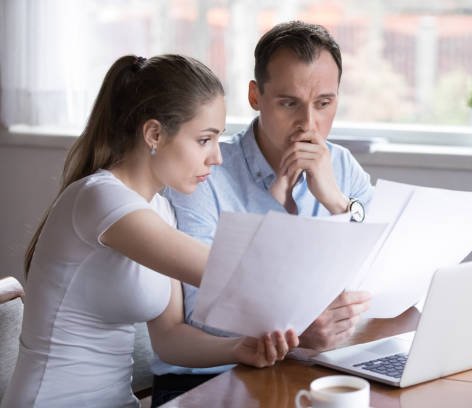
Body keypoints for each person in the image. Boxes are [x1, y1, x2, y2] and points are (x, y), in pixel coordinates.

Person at [0, 54, 298, 408]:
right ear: (154, 134)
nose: (216, 158)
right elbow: (226, 271)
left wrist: (238, 348)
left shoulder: (159, 210)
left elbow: (171, 339)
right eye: (204, 140)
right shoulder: (100, 199)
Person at [152, 21, 374, 405]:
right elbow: (198, 315)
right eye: (289, 103)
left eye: (324, 103)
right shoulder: (204, 172)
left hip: (307, 373)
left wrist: (336, 201)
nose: (309, 123)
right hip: (208, 383)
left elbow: (376, 269)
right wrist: (296, 331)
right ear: (256, 96)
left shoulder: (341, 165)